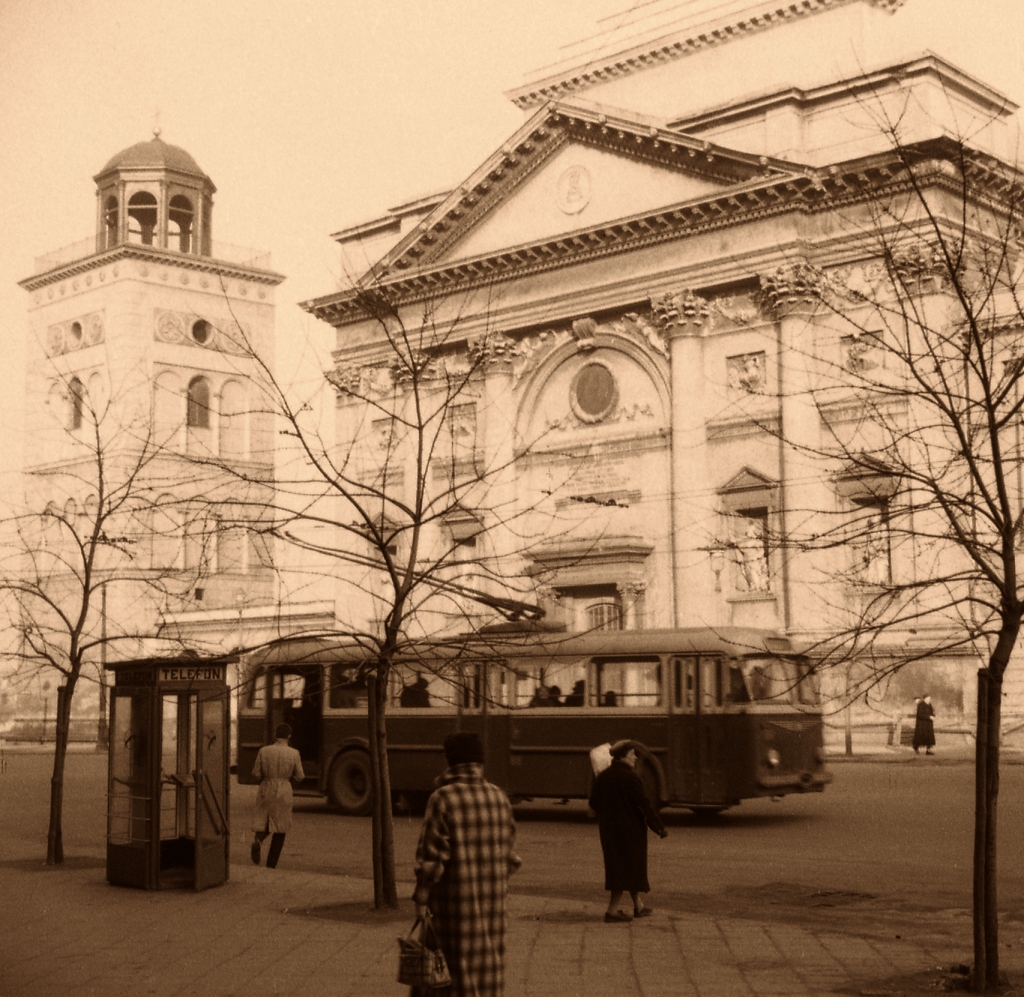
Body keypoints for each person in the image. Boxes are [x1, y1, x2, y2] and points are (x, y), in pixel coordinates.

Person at [413, 732, 521, 997]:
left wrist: (420, 899)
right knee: (486, 973)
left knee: (451, 977)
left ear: (448, 761)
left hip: (454, 910)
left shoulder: (443, 798)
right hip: (492, 909)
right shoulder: (499, 798)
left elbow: (432, 862)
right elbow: (511, 859)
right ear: (480, 762)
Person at [588, 739, 667, 922]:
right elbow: (644, 805)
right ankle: (612, 911)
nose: (635, 757)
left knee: (627, 868)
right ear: (623, 757)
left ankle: (638, 906)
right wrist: (659, 827)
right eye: (632, 754)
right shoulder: (631, 778)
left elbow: (594, 803)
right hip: (630, 832)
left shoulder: (603, 776)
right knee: (624, 869)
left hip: (609, 831)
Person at [250, 722, 305, 868]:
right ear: (288, 737)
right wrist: (288, 781)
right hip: (284, 789)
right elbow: (300, 776)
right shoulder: (294, 753)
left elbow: (255, 774)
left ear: (275, 735)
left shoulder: (264, 750)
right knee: (281, 829)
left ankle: (258, 841)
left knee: (265, 822)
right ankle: (271, 864)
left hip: (266, 787)